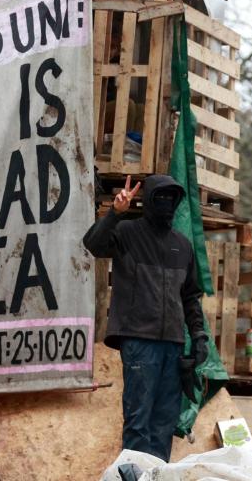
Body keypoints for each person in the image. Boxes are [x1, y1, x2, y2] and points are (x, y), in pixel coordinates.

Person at [83, 174, 209, 462]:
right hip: (139, 341)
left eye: (171, 198)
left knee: (163, 423)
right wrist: (115, 213)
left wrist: (199, 336)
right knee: (138, 421)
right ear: (148, 200)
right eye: (160, 197)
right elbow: (94, 244)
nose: (166, 203)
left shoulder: (182, 245)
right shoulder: (128, 232)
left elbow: (190, 297)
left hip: (173, 346)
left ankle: (156, 475)